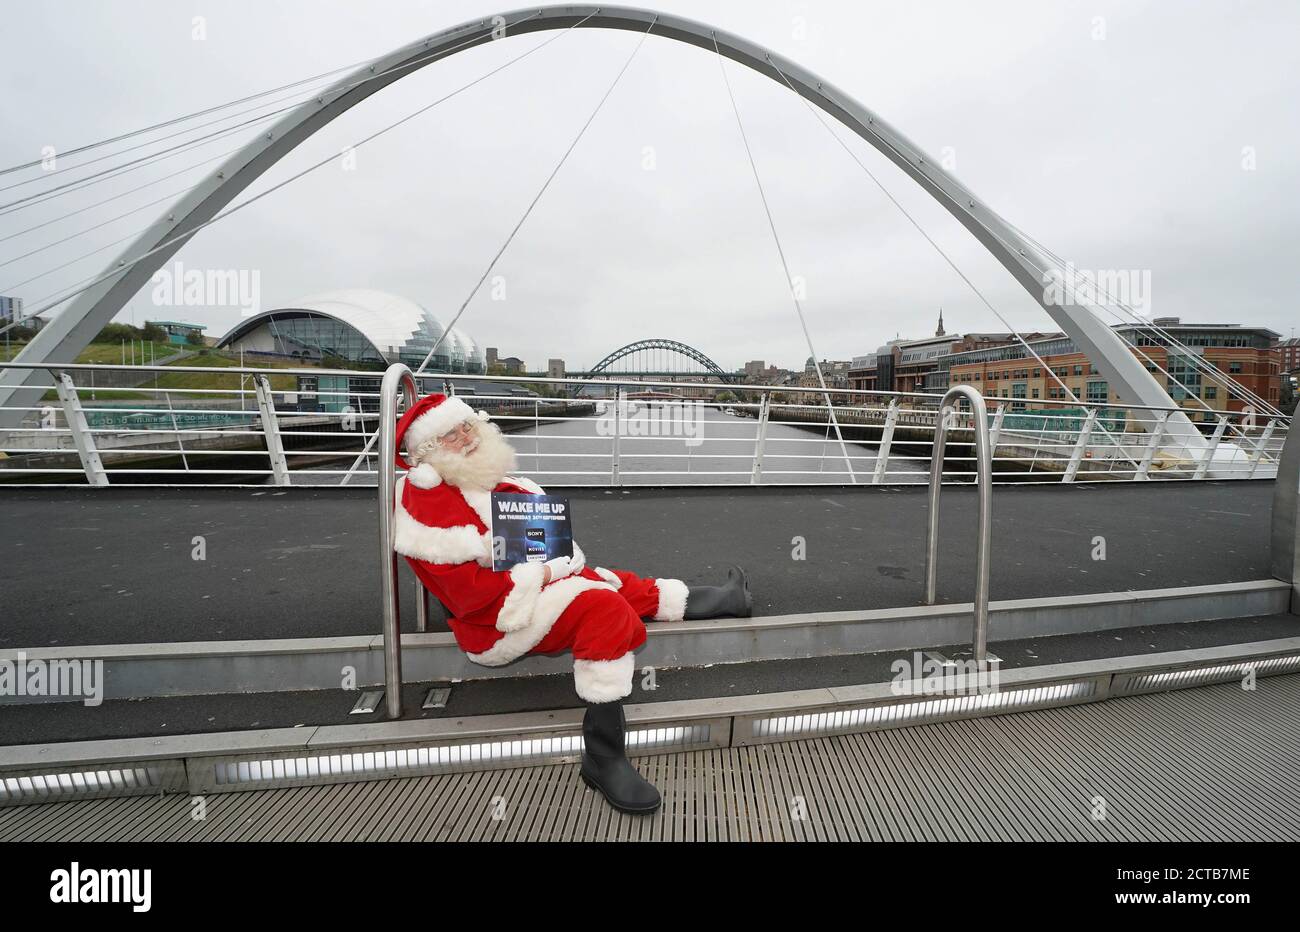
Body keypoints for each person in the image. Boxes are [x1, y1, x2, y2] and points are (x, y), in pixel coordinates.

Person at [392, 392, 751, 814]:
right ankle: (603, 754)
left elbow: (555, 548)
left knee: (611, 582)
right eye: (451, 435)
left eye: (467, 426)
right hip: (496, 624)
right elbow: (476, 599)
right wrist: (549, 572)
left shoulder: (498, 484)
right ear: (427, 453)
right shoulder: (427, 510)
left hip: (528, 593)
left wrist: (556, 567)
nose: (467, 437)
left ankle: (722, 599)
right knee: (602, 606)